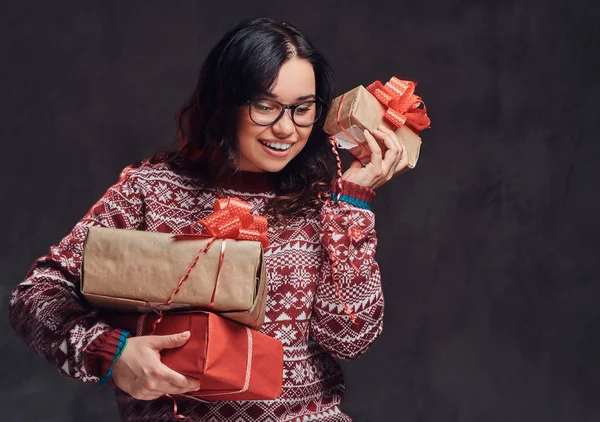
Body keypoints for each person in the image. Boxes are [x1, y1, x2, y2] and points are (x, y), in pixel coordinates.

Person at [9, 17, 407, 421]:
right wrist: (113, 353)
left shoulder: (325, 201)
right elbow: (36, 294)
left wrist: (352, 206)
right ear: (225, 102)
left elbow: (350, 338)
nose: (286, 128)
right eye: (265, 106)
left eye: (303, 109)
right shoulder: (153, 189)